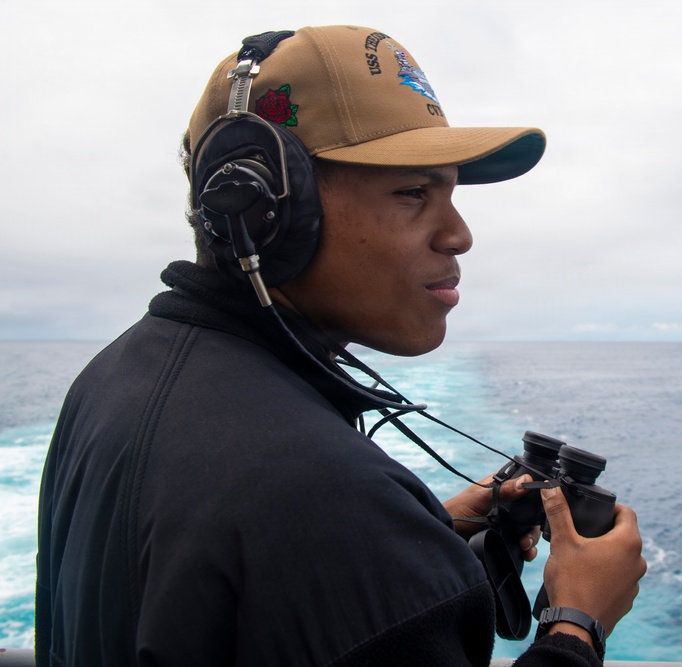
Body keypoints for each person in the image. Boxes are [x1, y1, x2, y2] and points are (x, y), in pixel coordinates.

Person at [35, 25, 646, 667]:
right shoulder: (323, 499)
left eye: (452, 195)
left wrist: (413, 540)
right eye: (414, 191)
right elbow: (300, 511)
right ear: (266, 206)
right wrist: (577, 624)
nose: (460, 235)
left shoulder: (110, 380)